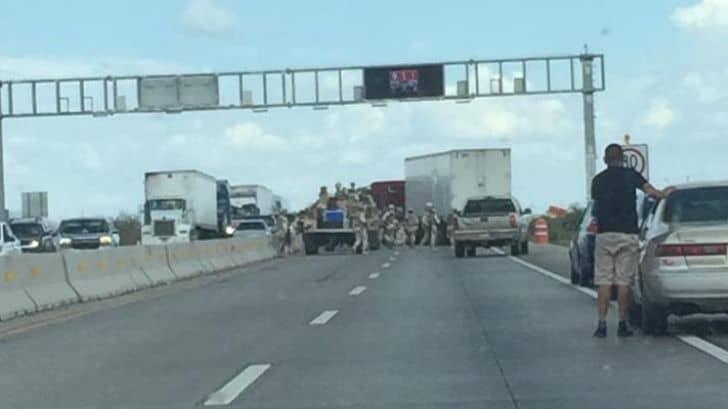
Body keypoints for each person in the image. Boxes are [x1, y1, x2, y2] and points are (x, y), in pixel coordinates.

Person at [591, 143, 672, 338]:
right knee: (623, 282)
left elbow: (596, 203)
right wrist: (665, 193)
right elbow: (651, 191)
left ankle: (601, 325)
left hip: (604, 235)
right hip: (627, 234)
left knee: (603, 281)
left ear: (605, 160)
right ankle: (622, 324)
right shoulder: (631, 175)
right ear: (622, 158)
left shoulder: (598, 180)